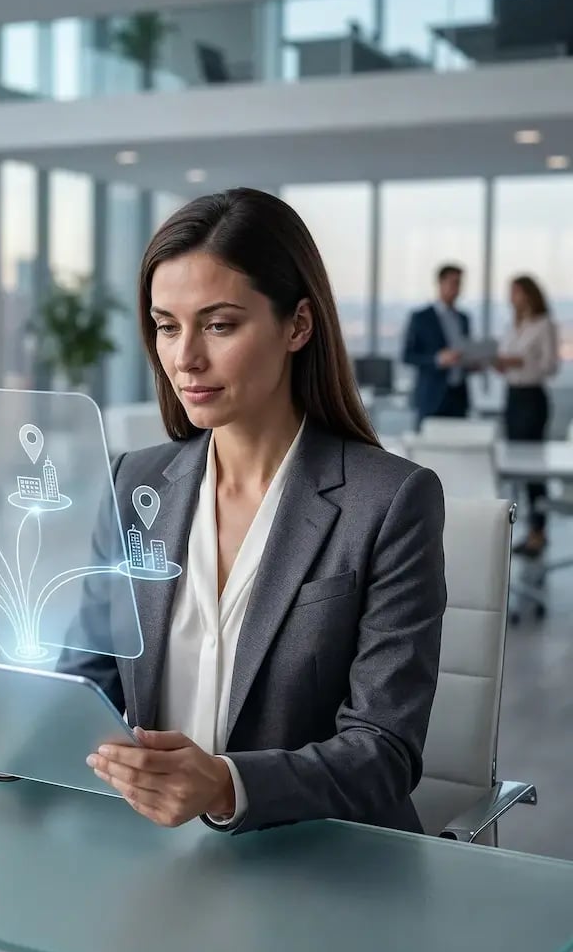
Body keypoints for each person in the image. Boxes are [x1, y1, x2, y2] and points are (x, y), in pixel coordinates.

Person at [62, 188, 447, 835]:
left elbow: (384, 749)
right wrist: (11, 723)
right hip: (157, 850)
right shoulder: (134, 483)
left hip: (325, 858)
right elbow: (88, 679)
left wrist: (225, 785)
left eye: (218, 325)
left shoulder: (391, 502)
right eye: (166, 326)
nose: (185, 357)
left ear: (298, 325)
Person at [493, 275, 559, 557]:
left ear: (528, 294)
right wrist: (501, 364)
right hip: (512, 397)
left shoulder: (545, 325)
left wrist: (521, 361)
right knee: (514, 465)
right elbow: (504, 357)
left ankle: (538, 532)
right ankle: (521, 530)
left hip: (533, 398)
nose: (511, 298)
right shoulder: (513, 325)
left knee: (534, 468)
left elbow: (551, 366)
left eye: (516, 292)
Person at [402, 265, 473, 427]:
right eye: (453, 283)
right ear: (440, 283)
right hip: (431, 397)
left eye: (459, 283)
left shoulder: (463, 318)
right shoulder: (421, 317)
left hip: (458, 396)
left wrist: (472, 363)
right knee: (428, 441)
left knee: (459, 441)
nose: (457, 288)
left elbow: (464, 351)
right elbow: (407, 356)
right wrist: (437, 359)